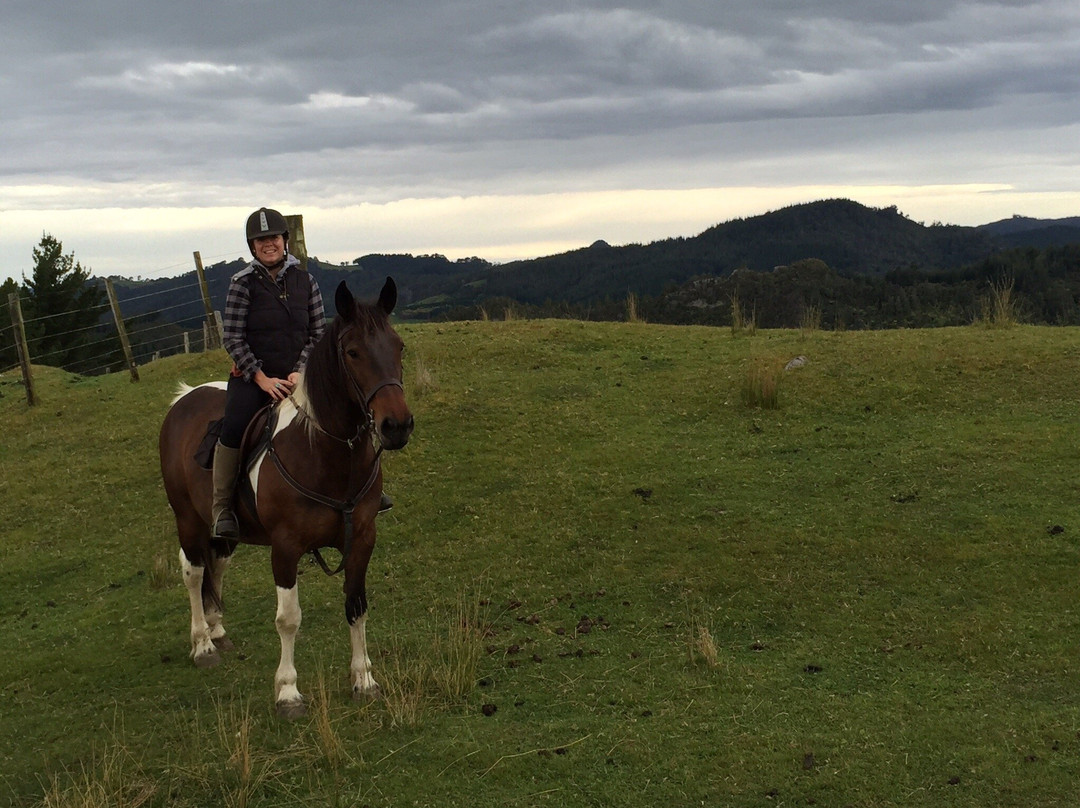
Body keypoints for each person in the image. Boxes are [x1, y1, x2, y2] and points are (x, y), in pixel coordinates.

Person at [211, 207, 326, 538]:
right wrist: (261, 378)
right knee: (233, 425)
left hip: (299, 376)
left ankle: (362, 490)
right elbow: (232, 337)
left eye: (273, 237)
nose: (268, 244)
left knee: (343, 411)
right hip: (254, 378)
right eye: (261, 240)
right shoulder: (242, 284)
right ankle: (222, 509)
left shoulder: (307, 281)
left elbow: (318, 333)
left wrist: (300, 371)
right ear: (252, 246)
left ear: (284, 240)